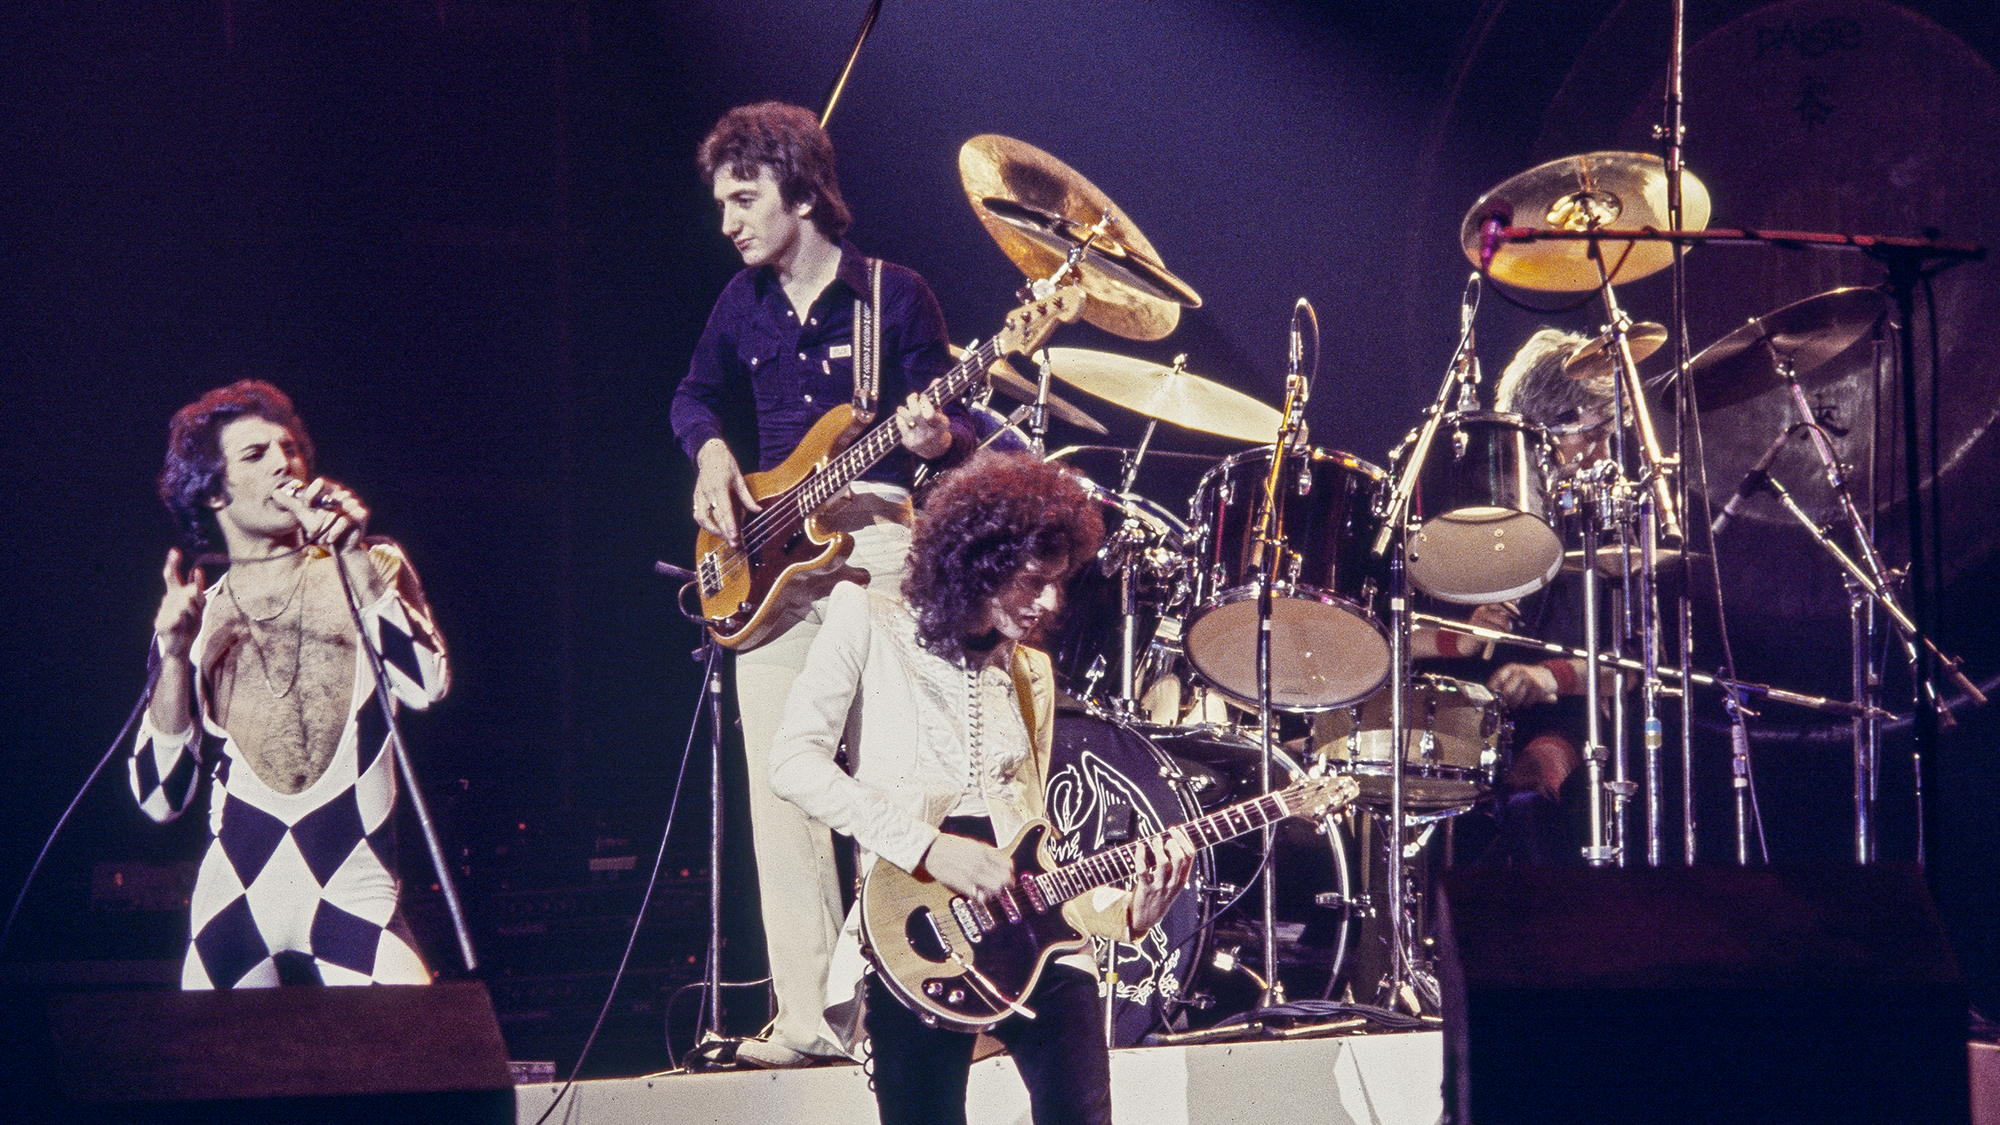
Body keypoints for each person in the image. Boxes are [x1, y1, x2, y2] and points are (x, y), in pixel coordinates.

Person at [669, 101, 976, 1068]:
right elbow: (691, 394)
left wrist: (936, 441)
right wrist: (711, 451)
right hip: (766, 559)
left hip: (876, 538)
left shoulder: (896, 295)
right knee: (784, 782)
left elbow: (948, 452)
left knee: (892, 779)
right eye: (722, 202)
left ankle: (924, 1002)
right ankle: (813, 1020)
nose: (729, 221)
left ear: (802, 191)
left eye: (745, 198)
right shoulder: (740, 303)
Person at [767, 451, 1194, 1125]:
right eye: (1033, 581)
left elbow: (1035, 850)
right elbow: (792, 761)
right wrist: (931, 848)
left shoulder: (1031, 674)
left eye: (1060, 581)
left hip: (1038, 936)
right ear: (976, 564)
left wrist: (1127, 913)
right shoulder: (865, 620)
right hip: (916, 930)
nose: (1053, 601)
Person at [132, 379, 448, 988]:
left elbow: (425, 687)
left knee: (415, 1057)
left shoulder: (372, 564)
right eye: (256, 454)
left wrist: (353, 552)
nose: (285, 464)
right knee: (211, 1076)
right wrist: (172, 656)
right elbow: (159, 799)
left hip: (351, 885)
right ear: (214, 492)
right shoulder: (196, 613)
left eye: (291, 449)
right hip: (236, 898)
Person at [1412, 329, 1624, 863]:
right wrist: (1461, 639)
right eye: (1592, 434)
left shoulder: (1600, 528)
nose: (1603, 453)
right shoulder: (1452, 508)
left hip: (1554, 726)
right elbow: (1379, 641)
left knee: (1527, 792)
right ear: (1544, 427)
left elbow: (1635, 666)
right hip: (1446, 720)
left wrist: (1545, 677)